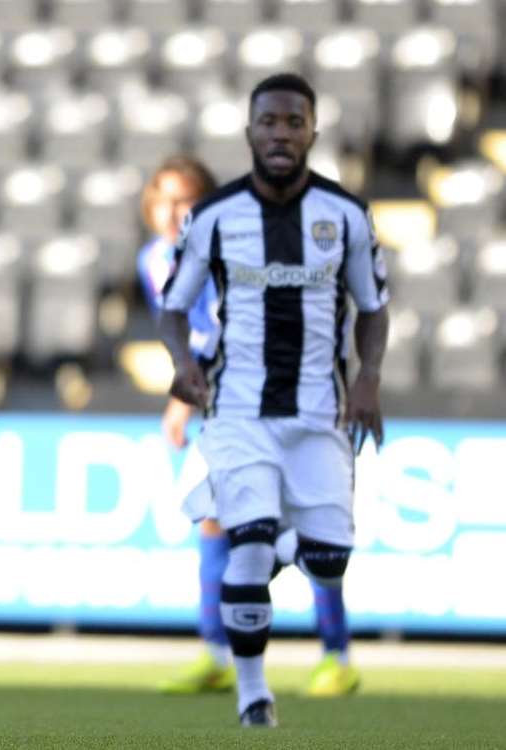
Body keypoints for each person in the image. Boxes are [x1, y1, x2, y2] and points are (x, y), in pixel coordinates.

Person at [159, 73, 389, 728]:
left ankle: (280, 547)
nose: (282, 133)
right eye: (270, 122)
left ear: (313, 131)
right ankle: (253, 696)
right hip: (237, 410)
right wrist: (182, 365)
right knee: (250, 538)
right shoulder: (214, 217)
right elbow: (174, 309)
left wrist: (369, 373)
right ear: (250, 132)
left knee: (327, 559)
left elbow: (374, 308)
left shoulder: (346, 215)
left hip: (320, 410)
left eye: (294, 122)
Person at [139, 156, 363, 699]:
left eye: (186, 199)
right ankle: (217, 654)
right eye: (164, 200)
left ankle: (337, 656)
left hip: (288, 394)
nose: (174, 212)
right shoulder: (153, 259)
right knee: (213, 518)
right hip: (230, 403)